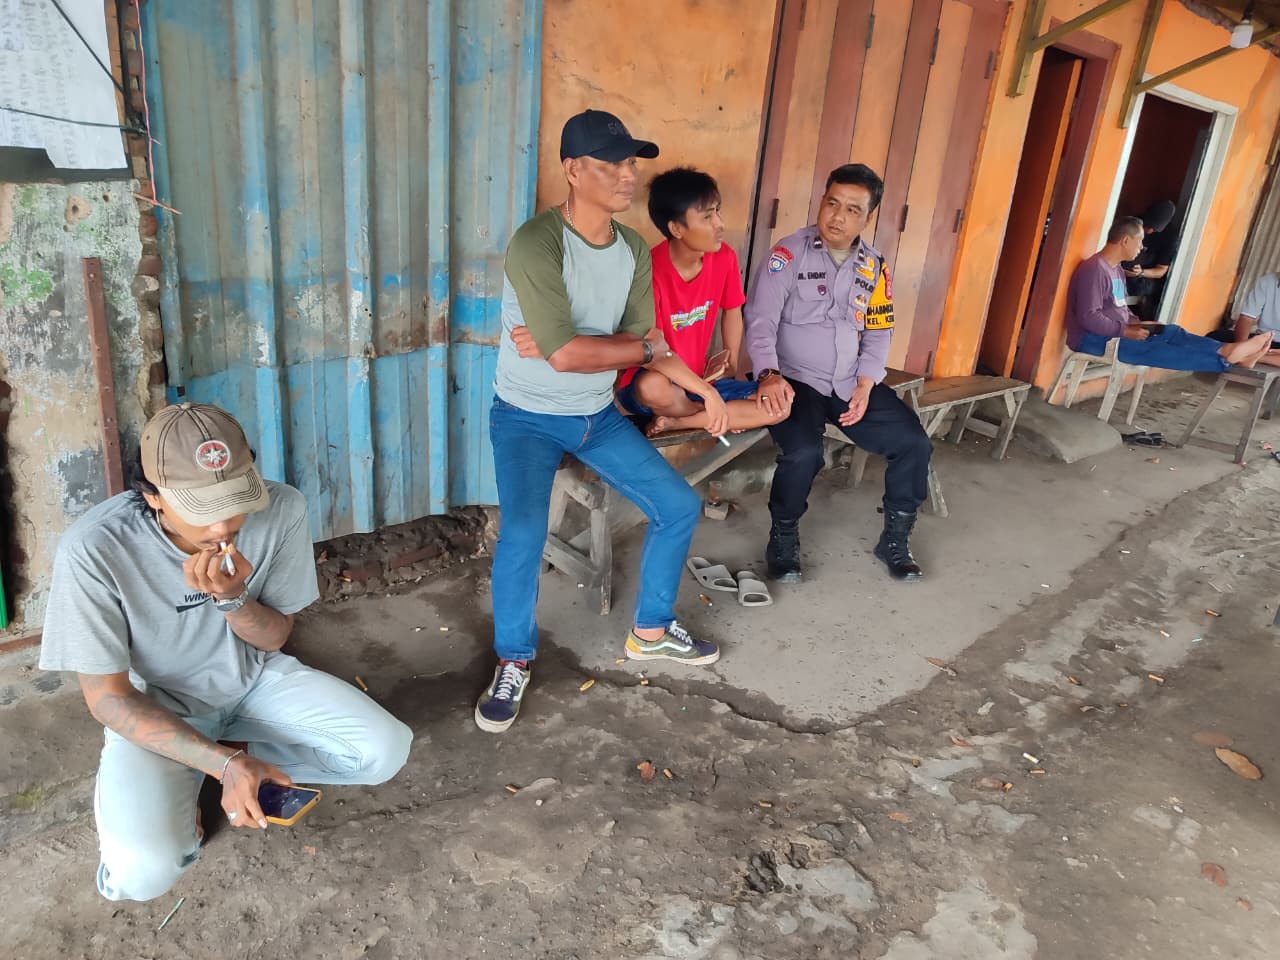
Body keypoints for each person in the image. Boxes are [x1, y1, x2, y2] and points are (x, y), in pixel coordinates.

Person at [39, 402, 413, 902]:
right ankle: (202, 772)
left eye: (233, 501)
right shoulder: (94, 549)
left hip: (253, 680)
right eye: (201, 509)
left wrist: (233, 599)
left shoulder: (282, 510)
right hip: (159, 706)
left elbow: (274, 638)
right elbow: (108, 699)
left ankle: (222, 763)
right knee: (141, 876)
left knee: (384, 751)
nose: (221, 528)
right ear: (152, 497)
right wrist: (223, 764)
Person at [478, 109, 726, 735]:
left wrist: (596, 347)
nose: (627, 175)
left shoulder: (633, 248)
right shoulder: (537, 242)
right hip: (526, 416)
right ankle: (513, 658)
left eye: (631, 163)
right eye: (611, 163)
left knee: (678, 506)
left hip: (594, 414)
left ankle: (651, 630)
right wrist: (610, 348)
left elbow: (634, 342)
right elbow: (576, 355)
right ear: (572, 170)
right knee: (523, 533)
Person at [744, 163, 932, 585]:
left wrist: (866, 384)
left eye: (852, 210)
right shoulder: (788, 254)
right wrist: (768, 374)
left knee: (913, 442)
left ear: (868, 217)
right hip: (794, 379)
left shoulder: (874, 265)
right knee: (804, 452)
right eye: (832, 203)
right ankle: (783, 536)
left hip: (849, 381)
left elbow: (879, 330)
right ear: (821, 202)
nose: (837, 217)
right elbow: (760, 321)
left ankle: (895, 539)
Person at [616, 167, 787, 435]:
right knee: (652, 386)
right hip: (654, 382)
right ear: (676, 228)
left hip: (701, 379)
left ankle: (680, 421)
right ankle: (713, 415)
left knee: (778, 405)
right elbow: (653, 355)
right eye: (707, 217)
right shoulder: (649, 271)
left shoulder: (724, 258)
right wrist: (709, 395)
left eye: (717, 211)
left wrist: (730, 362)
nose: (719, 224)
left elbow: (732, 310)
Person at [1066, 216, 1273, 372]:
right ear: (1125, 241)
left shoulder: (1117, 269)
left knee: (1171, 332)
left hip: (1118, 332)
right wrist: (1125, 331)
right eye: (1140, 241)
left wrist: (1138, 323)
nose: (1142, 247)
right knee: (1157, 350)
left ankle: (1226, 350)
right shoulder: (1094, 269)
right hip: (1093, 339)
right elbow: (1088, 317)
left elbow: (1120, 306)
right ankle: (1225, 359)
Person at [1122, 200, 1178, 320]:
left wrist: (1140, 272)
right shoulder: (1133, 223)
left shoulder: (1170, 237)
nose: (1149, 231)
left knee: (1137, 287)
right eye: (1147, 226)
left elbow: (1161, 270)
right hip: (1122, 267)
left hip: (1143, 276)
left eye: (1154, 229)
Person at [1228, 271, 1280, 345]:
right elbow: (1246, 318)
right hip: (1262, 340)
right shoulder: (1267, 281)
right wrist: (1242, 347)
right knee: (1216, 336)